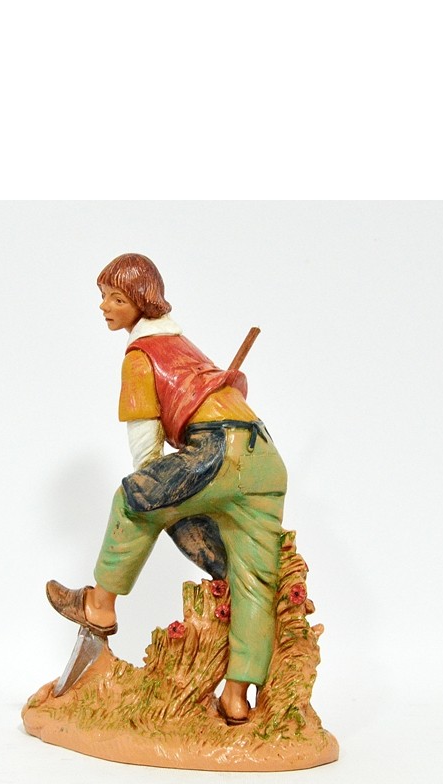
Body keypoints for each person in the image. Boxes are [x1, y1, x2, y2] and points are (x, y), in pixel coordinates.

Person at [46, 253, 287, 724]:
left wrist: (157, 497)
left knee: (132, 499)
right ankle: (236, 698)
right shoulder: (182, 344)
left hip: (220, 450)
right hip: (265, 461)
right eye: (103, 297)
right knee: (252, 580)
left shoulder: (142, 356)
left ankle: (98, 605)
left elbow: (146, 452)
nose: (104, 306)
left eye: (116, 298)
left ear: (142, 301)